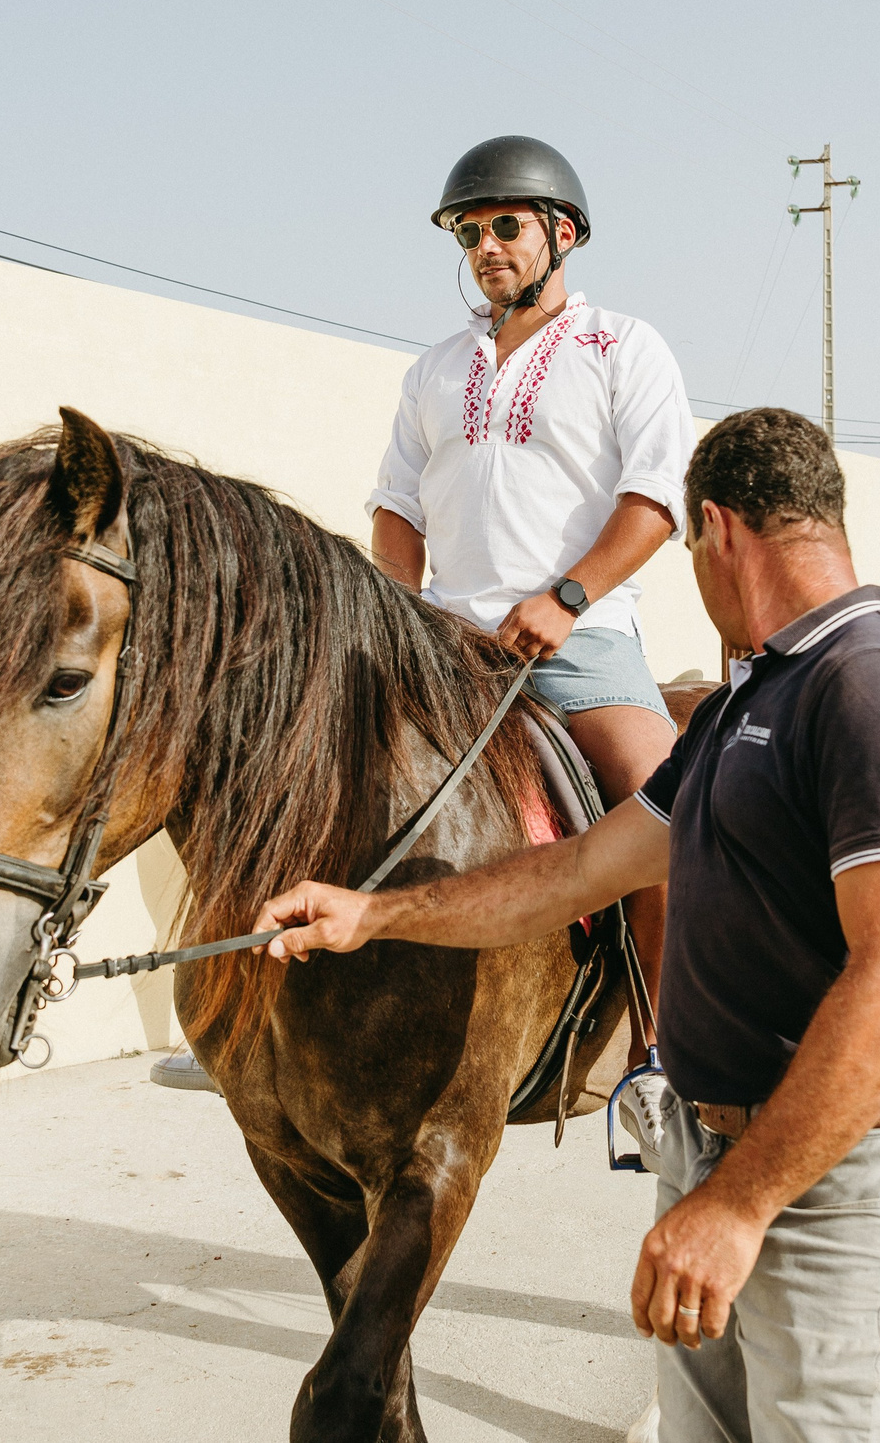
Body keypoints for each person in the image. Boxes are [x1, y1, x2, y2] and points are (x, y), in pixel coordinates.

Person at [253, 407, 880, 1443]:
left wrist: (738, 1204)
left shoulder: (869, 684)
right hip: (724, 1153)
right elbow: (580, 869)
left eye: (688, 549)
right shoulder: (741, 706)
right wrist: (375, 910)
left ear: (718, 530)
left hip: (835, 1179)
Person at [152, 135, 694, 1094]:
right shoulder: (436, 369)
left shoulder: (625, 347)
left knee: (664, 807)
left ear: (561, 234)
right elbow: (396, 509)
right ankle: (244, 1027)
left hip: (581, 642)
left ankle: (659, 1060)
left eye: (507, 228)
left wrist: (568, 597)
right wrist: (397, 621)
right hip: (443, 643)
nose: (487, 247)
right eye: (470, 232)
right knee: (292, 764)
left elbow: (652, 500)